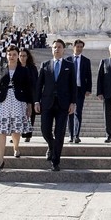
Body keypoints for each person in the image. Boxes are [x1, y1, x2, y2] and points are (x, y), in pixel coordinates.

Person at [34, 38, 77, 172]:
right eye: (54, 47)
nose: (56, 49)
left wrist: (73, 103)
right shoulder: (45, 64)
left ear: (63, 50)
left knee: (59, 133)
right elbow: (39, 85)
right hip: (47, 103)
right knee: (45, 130)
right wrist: (36, 101)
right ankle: (52, 146)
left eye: (59, 47)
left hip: (63, 104)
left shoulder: (69, 65)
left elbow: (73, 85)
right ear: (51, 49)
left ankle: (55, 161)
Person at [0, 45, 33, 170]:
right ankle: (0, 160)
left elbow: (28, 88)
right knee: (1, 130)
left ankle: (16, 147)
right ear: (6, 55)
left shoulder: (23, 70)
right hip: (3, 101)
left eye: (14, 54)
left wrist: (29, 104)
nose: (12, 57)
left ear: (17, 56)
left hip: (18, 101)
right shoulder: (1, 69)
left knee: (16, 129)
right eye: (9, 54)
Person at [66, 39, 92, 143]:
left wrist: (88, 89)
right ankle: (71, 135)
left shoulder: (86, 61)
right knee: (70, 112)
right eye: (78, 47)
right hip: (69, 90)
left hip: (80, 90)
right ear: (73, 47)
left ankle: (76, 135)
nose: (79, 49)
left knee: (78, 112)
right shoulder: (67, 60)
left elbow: (89, 76)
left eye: (81, 47)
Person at [18, 47, 39, 143]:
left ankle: (28, 135)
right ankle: (16, 135)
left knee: (30, 116)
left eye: (24, 56)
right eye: (21, 56)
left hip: (30, 95)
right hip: (18, 96)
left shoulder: (32, 68)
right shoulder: (15, 67)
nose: (22, 58)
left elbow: (36, 83)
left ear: (28, 57)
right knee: (17, 116)